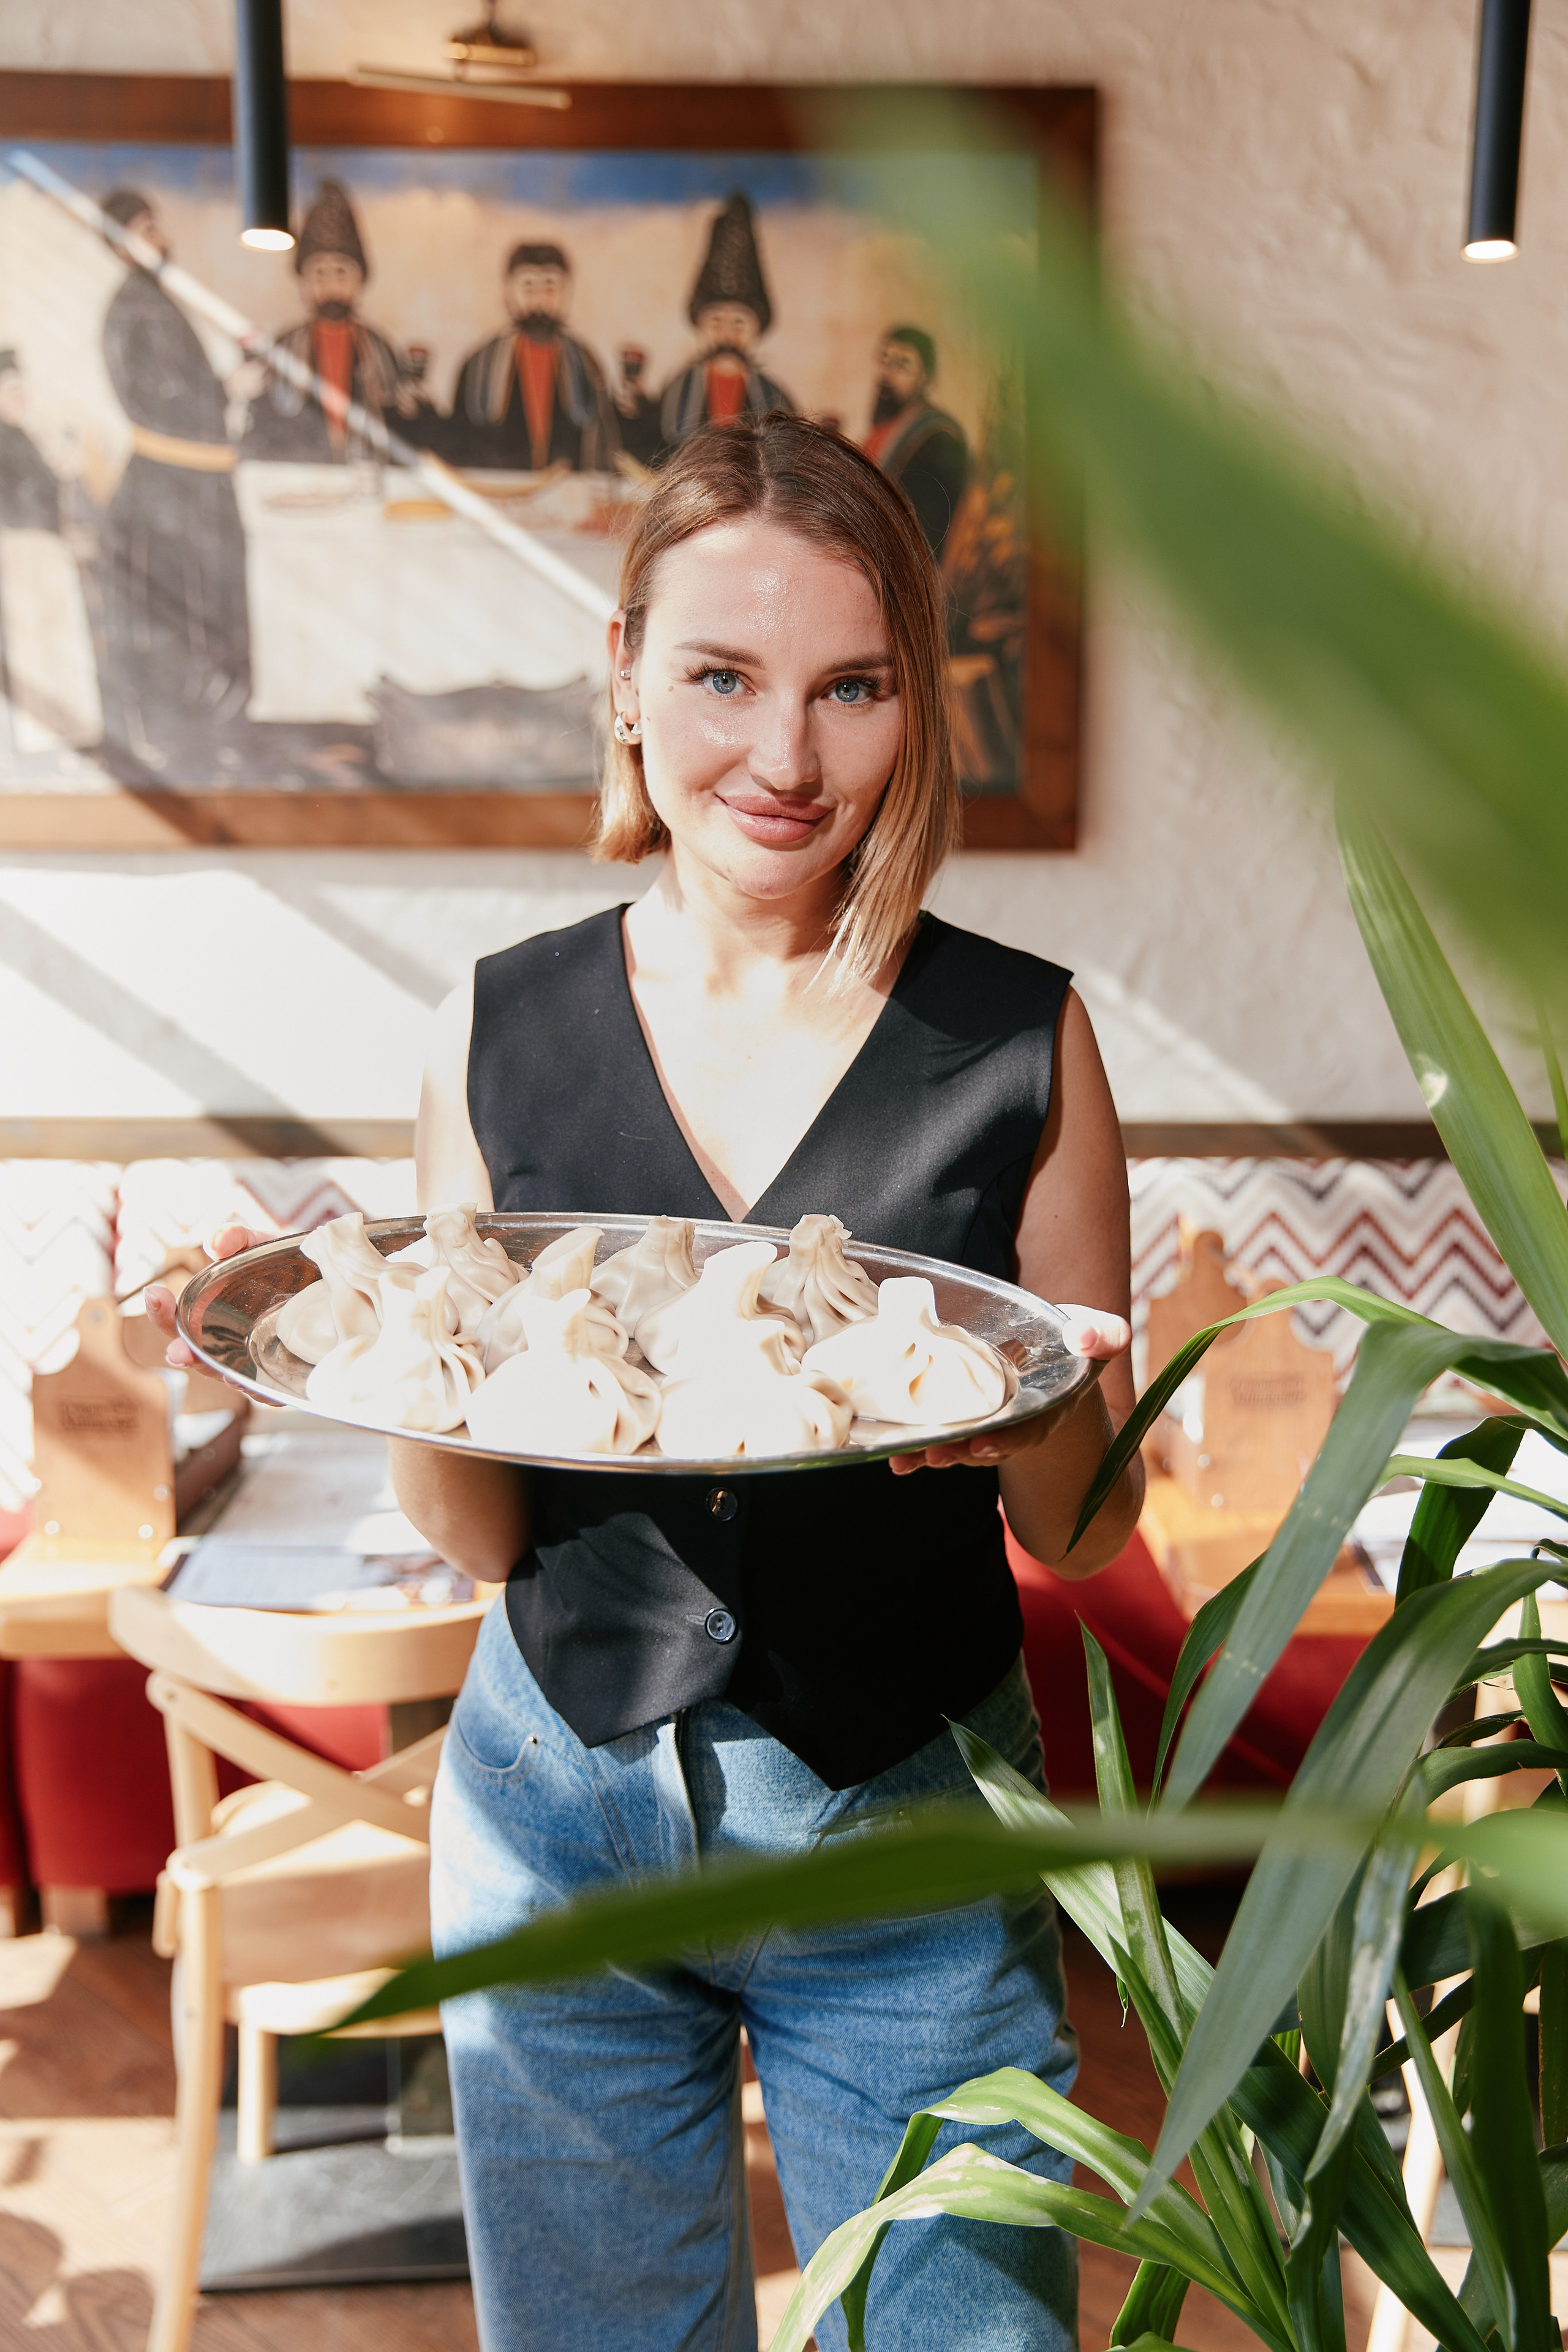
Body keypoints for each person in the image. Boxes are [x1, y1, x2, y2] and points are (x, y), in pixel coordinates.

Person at [150, 413, 1140, 2352]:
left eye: (849, 687)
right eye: (719, 677)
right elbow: (467, 1521)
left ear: (908, 705)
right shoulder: (496, 1027)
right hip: (552, 1804)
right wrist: (405, 1358)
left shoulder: (1018, 1039)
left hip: (905, 1818)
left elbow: (1084, 1526)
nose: (784, 758)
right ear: (622, 678)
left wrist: (1043, 1403)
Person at [98, 189, 252, 763]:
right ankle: (185, 746)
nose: (158, 236)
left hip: (188, 485)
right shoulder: (135, 307)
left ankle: (204, 739)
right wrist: (228, 390)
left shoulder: (156, 300)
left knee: (203, 616)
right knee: (178, 620)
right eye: (143, 229)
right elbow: (158, 404)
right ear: (118, 244)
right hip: (166, 491)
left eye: (157, 225)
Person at [244, 179, 423, 464]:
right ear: (302, 282)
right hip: (299, 475)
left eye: (341, 273)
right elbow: (261, 422)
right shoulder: (284, 346)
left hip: (366, 476)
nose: (330, 286)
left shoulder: (380, 349)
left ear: (360, 281)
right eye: (319, 274)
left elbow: (404, 428)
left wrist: (414, 408)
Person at [623, 193, 793, 462]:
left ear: (757, 328)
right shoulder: (680, 388)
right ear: (699, 325)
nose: (726, 334)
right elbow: (651, 448)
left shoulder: (774, 396)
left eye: (739, 322)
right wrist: (635, 410)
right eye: (715, 321)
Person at [446, 241, 620, 472]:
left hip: (568, 491)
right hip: (500, 489)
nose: (540, 299)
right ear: (510, 291)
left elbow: (604, 438)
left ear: (566, 292)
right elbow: (460, 441)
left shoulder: (585, 363)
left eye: (550, 287)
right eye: (529, 287)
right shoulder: (480, 364)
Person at [862, 325, 971, 560]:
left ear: (926, 377)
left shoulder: (938, 436)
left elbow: (930, 530)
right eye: (885, 360)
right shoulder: (886, 428)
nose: (887, 374)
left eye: (902, 365)